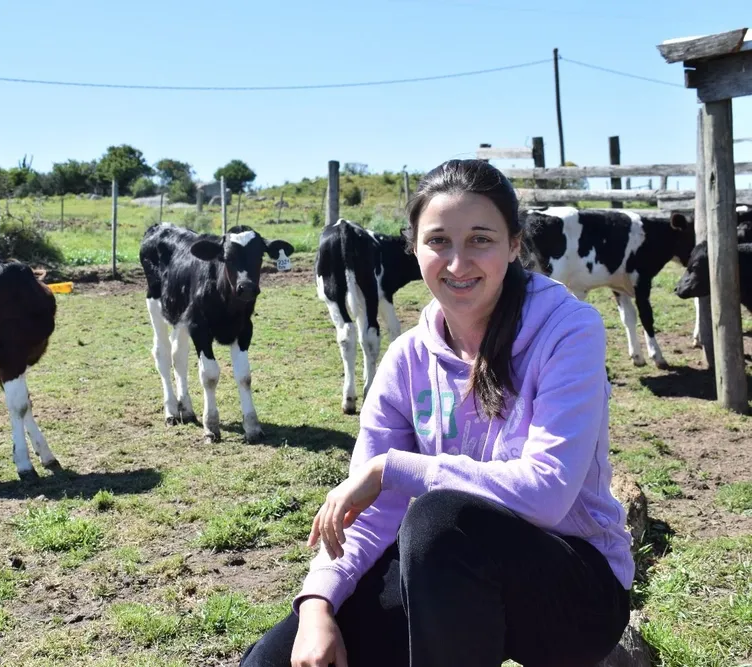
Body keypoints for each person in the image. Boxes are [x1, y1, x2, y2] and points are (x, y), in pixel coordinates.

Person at [239, 159, 634, 667]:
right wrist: (318, 602)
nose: (457, 263)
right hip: (446, 575)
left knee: (439, 519)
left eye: (480, 240)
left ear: (514, 244)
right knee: (272, 659)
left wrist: (392, 469)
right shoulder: (407, 358)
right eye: (439, 241)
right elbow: (371, 512)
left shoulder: (569, 332)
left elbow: (547, 494)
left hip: (573, 588)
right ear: (414, 248)